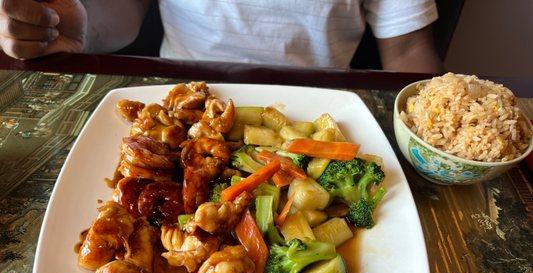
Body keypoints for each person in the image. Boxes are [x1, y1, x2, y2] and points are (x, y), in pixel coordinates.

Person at [0, 0, 443, 72]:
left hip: (324, 115)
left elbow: (407, 46)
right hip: (181, 97)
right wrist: (81, 24)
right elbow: (129, 13)